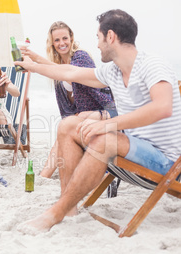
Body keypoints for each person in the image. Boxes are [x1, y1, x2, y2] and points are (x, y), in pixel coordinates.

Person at [14, 9, 181, 234]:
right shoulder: (112, 71)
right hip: (133, 150)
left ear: (110, 36)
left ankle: (55, 213)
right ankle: (70, 208)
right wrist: (33, 66)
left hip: (166, 162)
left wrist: (108, 124)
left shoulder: (152, 65)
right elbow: (70, 72)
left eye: (98, 38)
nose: (98, 45)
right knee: (68, 125)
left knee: (104, 140)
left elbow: (162, 107)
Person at [20, 21, 116, 179]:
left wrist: (36, 61)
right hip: (83, 118)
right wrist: (34, 60)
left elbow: (68, 74)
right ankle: (44, 176)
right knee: (66, 128)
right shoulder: (58, 66)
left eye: (65, 38)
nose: (61, 43)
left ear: (71, 38)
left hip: (105, 113)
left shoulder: (80, 56)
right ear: (52, 43)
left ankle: (44, 176)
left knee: (73, 123)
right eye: (57, 40)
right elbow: (59, 71)